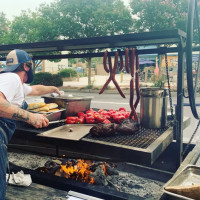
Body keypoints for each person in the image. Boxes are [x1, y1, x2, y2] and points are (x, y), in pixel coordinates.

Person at [0, 49, 62, 199]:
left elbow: (35, 89)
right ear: (27, 66)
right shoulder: (12, 78)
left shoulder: (15, 82)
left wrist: (53, 89)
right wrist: (30, 117)